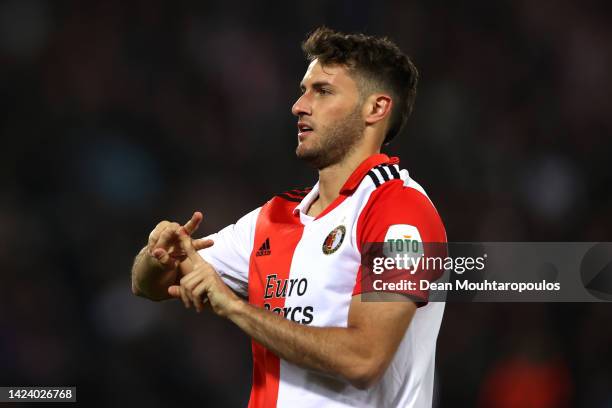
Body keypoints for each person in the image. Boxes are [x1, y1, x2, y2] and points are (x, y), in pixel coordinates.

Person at [131, 27, 447, 408]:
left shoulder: (401, 213)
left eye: (323, 91)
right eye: (303, 89)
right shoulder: (274, 218)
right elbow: (149, 285)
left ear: (376, 109)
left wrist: (233, 307)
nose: (299, 105)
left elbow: (364, 359)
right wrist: (156, 254)